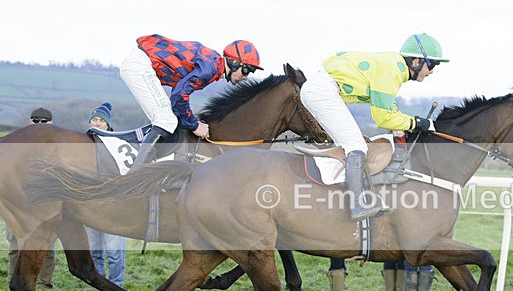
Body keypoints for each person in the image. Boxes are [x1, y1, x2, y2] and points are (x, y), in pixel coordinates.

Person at [299, 33, 449, 221]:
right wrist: (418, 123)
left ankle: (333, 199)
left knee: (353, 145)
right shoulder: (393, 69)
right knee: (357, 146)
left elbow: (390, 110)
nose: (432, 71)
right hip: (322, 91)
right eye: (432, 65)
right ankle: (358, 204)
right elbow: (383, 118)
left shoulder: (393, 66)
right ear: (417, 62)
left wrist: (408, 123)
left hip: (322, 90)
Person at [119, 34, 262, 170]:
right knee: (166, 120)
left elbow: (179, 95)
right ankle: (135, 174)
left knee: (169, 118)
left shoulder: (213, 64)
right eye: (246, 71)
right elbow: (179, 94)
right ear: (235, 63)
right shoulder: (210, 68)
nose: (246, 78)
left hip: (142, 62)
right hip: (140, 65)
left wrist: (189, 120)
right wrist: (194, 126)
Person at [5, 108, 57, 287]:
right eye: (36, 120)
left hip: (46, 205)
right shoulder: (16, 144)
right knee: (15, 247)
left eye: (44, 121)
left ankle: (44, 283)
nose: (39, 124)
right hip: (18, 203)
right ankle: (15, 280)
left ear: (51, 123)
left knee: (46, 247)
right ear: (30, 122)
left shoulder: (59, 147)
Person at [85, 102, 127, 286]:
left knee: (115, 251)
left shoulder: (118, 145)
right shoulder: (82, 144)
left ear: (108, 125)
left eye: (101, 120)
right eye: (94, 119)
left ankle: (117, 283)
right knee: (94, 250)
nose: (97, 123)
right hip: (90, 205)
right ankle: (98, 284)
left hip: (114, 205)